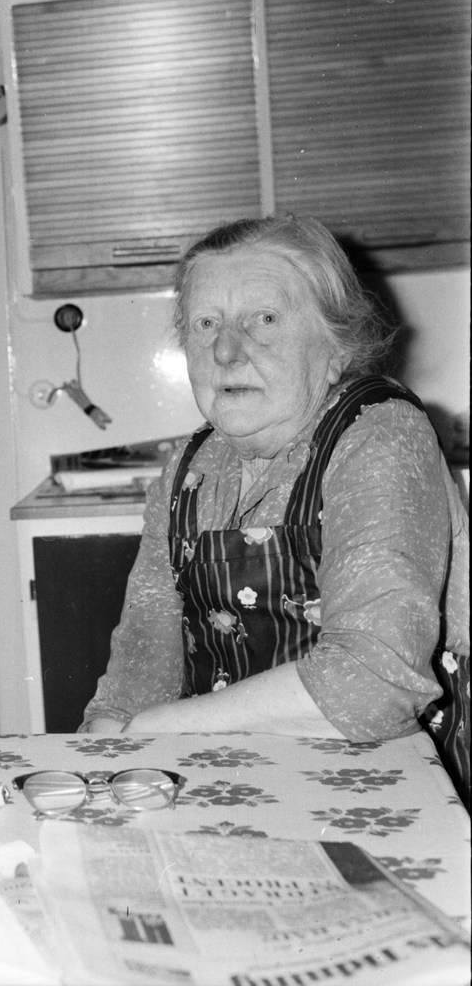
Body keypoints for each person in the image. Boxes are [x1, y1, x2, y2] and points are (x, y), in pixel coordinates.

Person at [81, 216, 469, 801]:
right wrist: (104, 742)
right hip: (240, 779)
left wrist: (158, 729)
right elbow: (140, 667)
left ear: (336, 349)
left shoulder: (380, 435)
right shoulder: (189, 468)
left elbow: (371, 687)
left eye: (264, 320)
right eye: (206, 323)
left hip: (387, 788)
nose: (226, 350)